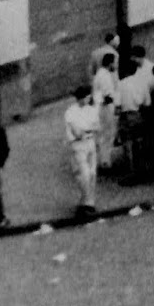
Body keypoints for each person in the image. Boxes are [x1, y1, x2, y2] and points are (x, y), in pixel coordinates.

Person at [64, 88, 101, 217]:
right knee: (83, 173)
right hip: (78, 145)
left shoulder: (91, 110)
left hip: (90, 142)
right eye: (86, 97)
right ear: (80, 98)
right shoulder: (71, 112)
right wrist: (87, 129)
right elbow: (76, 132)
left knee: (92, 173)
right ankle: (86, 202)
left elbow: (97, 126)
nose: (88, 99)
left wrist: (87, 130)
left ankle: (88, 201)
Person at [91, 50, 121, 171]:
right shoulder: (104, 76)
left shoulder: (101, 74)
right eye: (115, 63)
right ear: (110, 63)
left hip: (101, 107)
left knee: (105, 134)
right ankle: (105, 161)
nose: (116, 65)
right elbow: (107, 96)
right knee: (107, 134)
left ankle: (105, 160)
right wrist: (116, 105)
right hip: (105, 108)